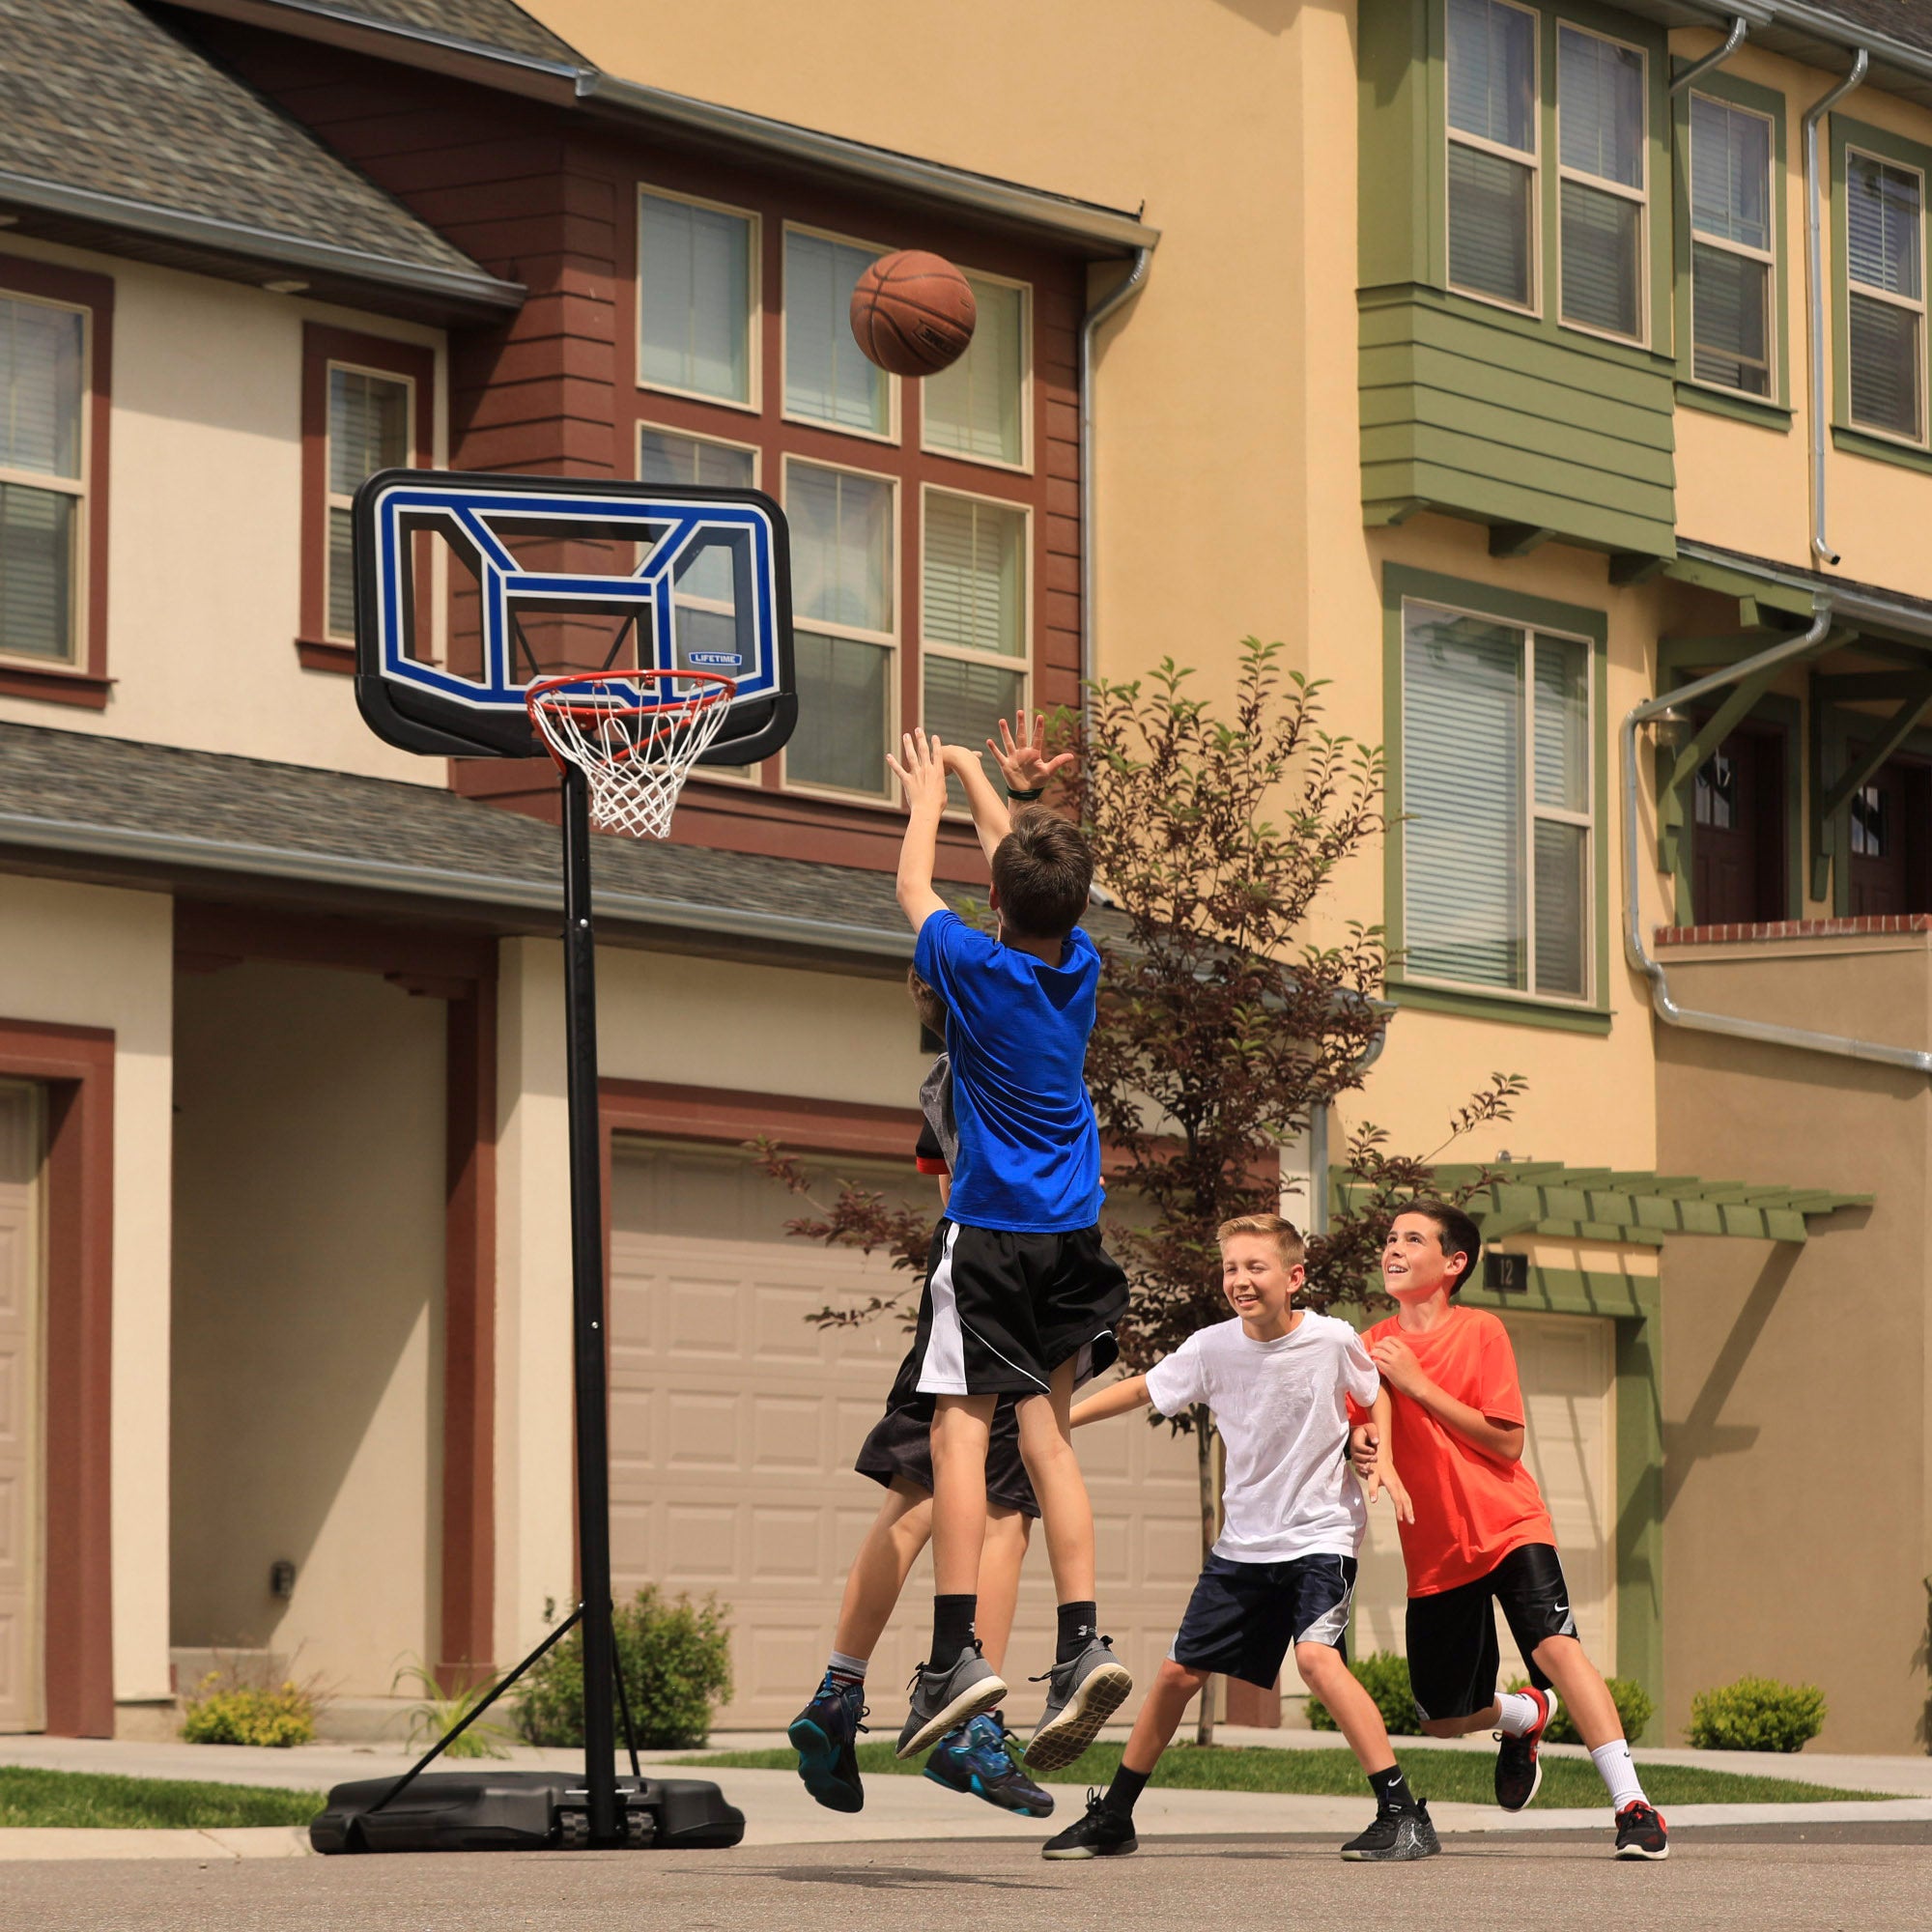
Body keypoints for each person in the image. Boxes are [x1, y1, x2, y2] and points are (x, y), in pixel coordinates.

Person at [886, 718, 1133, 1773]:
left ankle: (954, 1652)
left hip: (991, 1233)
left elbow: (914, 891)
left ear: (995, 900)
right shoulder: (1077, 963)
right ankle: (1080, 1641)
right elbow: (1023, 869)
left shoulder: (967, 967)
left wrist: (920, 803)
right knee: (1049, 1444)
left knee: (956, 1428)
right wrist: (981, 781)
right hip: (1075, 1237)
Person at [1038, 1212, 1439, 1862]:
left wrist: (1383, 1454)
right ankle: (1114, 1816)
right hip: (1244, 1546)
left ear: (1294, 1276)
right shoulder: (1211, 1348)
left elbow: (1377, 1392)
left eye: (1256, 1267)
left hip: (1319, 1535)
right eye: (1231, 1268)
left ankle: (1403, 1813)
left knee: (1315, 1660)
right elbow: (1145, 1387)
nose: (1240, 1280)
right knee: (1176, 1676)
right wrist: (1057, 1422)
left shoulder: (1332, 1340)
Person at [787, 968, 1052, 1821]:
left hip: (953, 1270)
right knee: (1005, 1511)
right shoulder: (1027, 1061)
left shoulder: (940, 1077)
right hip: (1009, 1280)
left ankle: (838, 1689)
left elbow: (943, 1186)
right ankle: (973, 1729)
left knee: (915, 1500)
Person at [1350, 1201, 1668, 1861]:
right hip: (1436, 1552)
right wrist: (1365, 1447)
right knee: (1442, 1720)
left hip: (1509, 1524)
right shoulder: (1371, 1342)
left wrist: (1419, 1385)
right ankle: (1526, 1715)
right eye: (1389, 1238)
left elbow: (1508, 1442)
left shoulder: (1481, 1332)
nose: (1394, 1248)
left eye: (1413, 1238)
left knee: (1556, 1648)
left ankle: (1633, 1805)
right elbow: (1365, 1422)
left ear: (1453, 1263)